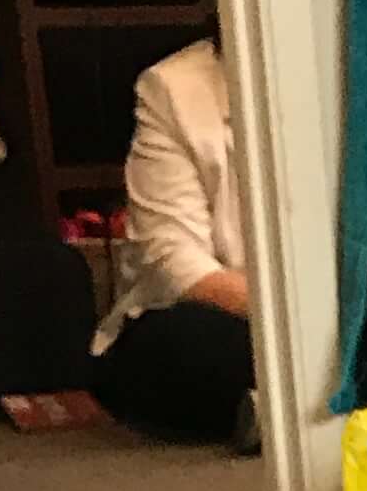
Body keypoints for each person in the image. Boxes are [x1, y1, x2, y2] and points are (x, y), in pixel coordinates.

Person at [90, 37, 258, 448]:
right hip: (215, 311)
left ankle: (279, 403)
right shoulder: (173, 88)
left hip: (346, 316)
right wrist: (297, 324)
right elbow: (177, 264)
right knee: (185, 346)